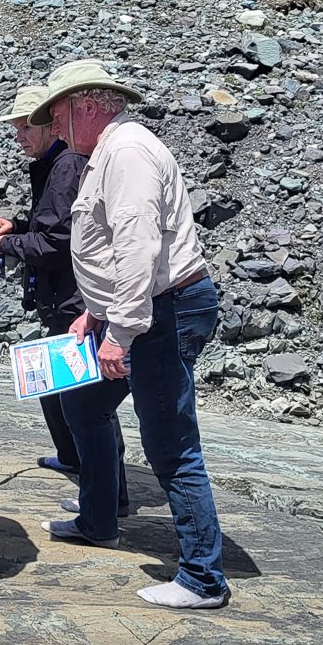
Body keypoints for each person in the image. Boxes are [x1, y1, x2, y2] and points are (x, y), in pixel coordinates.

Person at [27, 59, 229, 609]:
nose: (53, 125)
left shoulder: (128, 153)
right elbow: (111, 248)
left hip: (161, 312)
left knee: (170, 443)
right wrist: (97, 312)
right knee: (85, 404)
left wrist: (121, 331)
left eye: (57, 114)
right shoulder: (108, 152)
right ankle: (97, 521)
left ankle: (203, 578)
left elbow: (138, 247)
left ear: (89, 106)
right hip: (143, 309)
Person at [0, 86, 130, 516]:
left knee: (84, 400)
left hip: (76, 301)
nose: (19, 137)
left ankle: (110, 495)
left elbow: (59, 242)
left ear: (50, 124)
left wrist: (10, 244)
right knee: (61, 390)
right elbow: (53, 225)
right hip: (68, 298)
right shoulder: (56, 164)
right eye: (16, 129)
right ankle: (75, 459)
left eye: (26, 127)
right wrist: (19, 225)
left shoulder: (65, 165)